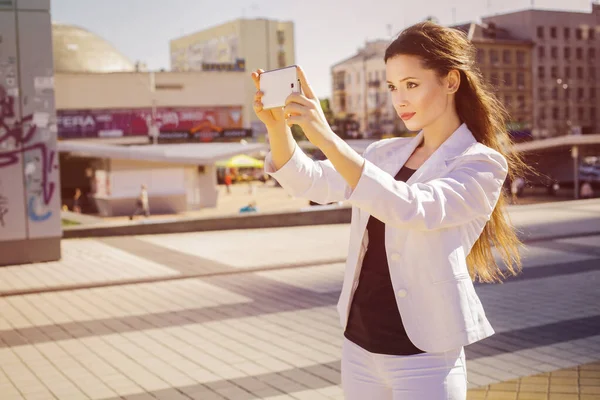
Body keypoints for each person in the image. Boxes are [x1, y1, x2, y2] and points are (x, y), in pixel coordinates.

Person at [251, 21, 526, 400]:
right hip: (360, 346)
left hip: (425, 357)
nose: (400, 100)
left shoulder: (481, 163)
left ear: (450, 81)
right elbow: (310, 181)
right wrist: (278, 128)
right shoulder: (385, 153)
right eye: (393, 87)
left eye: (412, 84)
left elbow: (412, 208)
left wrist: (327, 137)